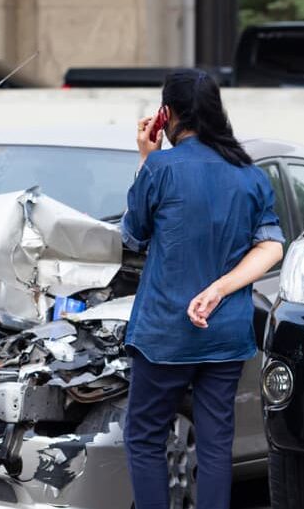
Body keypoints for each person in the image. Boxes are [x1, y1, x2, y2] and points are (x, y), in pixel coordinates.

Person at [120, 69, 285, 509]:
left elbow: (133, 235)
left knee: (144, 436)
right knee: (216, 445)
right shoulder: (249, 175)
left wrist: (144, 158)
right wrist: (220, 288)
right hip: (227, 333)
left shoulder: (160, 168)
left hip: (164, 334)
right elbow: (271, 247)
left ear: (166, 114)